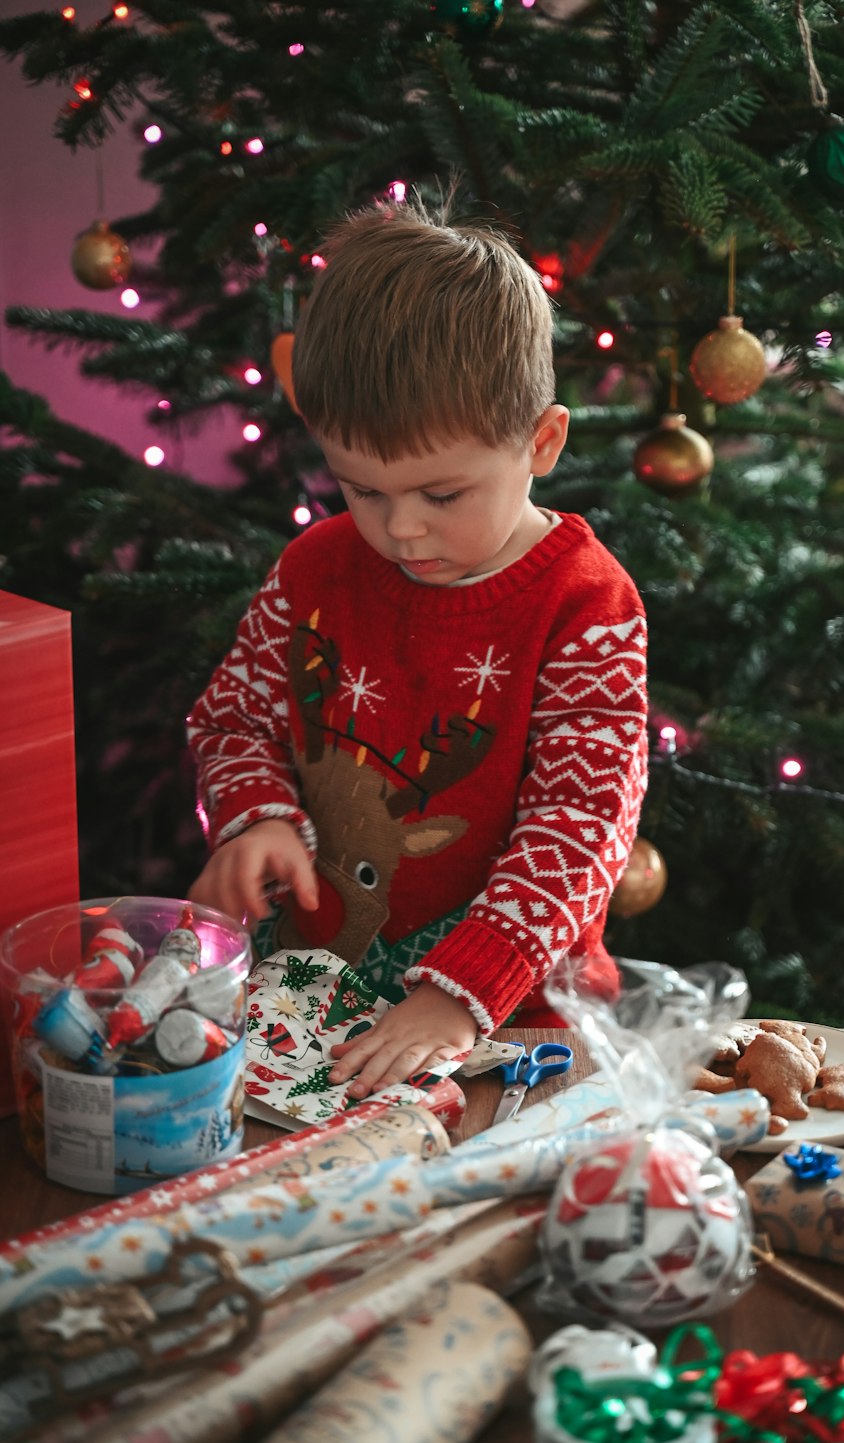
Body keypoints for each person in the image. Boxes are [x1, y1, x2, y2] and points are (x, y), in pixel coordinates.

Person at [187, 196, 648, 1099]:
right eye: (361, 489)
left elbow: (580, 821)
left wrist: (461, 993)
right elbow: (234, 715)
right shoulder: (315, 566)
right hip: (309, 1011)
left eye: (442, 495)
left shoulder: (585, 602)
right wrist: (258, 815)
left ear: (541, 442)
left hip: (516, 1029)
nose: (401, 530)